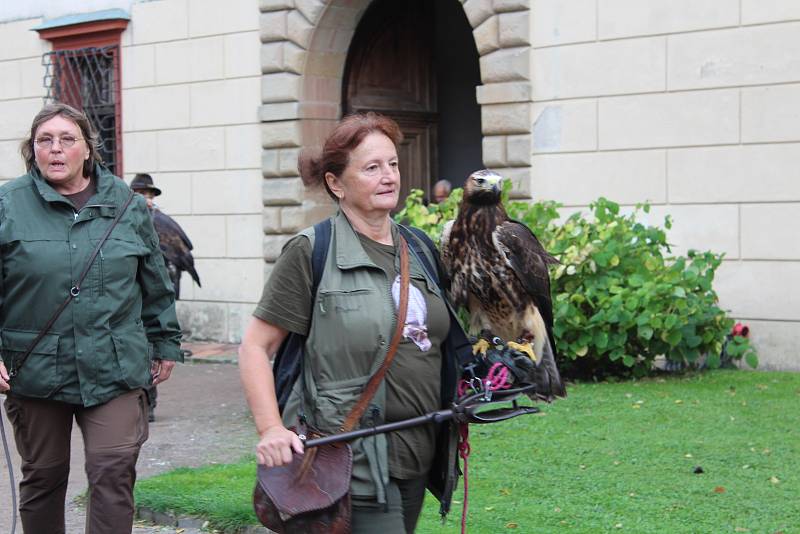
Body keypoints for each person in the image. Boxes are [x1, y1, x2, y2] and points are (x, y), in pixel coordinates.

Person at [239, 112, 469, 533]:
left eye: (393, 164)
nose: (389, 176)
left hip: (420, 448)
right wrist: (270, 428)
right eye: (372, 167)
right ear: (336, 183)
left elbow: (439, 338)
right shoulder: (312, 252)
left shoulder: (418, 248)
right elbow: (256, 346)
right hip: (349, 454)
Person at [0, 103, 182, 533]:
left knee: (113, 472)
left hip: (114, 365)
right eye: (45, 141)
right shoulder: (7, 205)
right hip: (36, 367)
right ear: (33, 151)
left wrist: (165, 342)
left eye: (68, 139)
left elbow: (153, 281)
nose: (56, 149)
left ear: (88, 149)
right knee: (43, 476)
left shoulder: (126, 204)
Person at [130, 173, 200, 422]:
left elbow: (181, 255)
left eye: (149, 194)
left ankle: (148, 405)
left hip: (160, 290)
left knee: (150, 348)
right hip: (134, 297)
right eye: (141, 194)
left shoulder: (158, 221)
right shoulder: (124, 219)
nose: (147, 198)